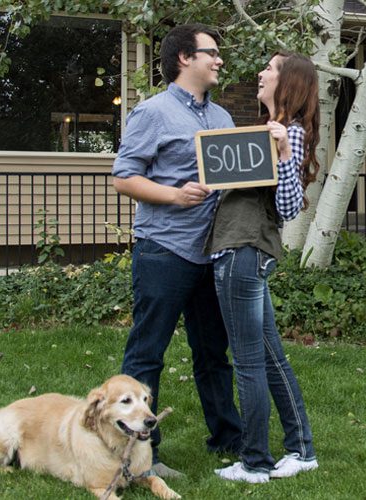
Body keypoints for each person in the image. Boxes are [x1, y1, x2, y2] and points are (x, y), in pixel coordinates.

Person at [112, 24, 243, 477]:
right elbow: (124, 177)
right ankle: (141, 456)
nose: (219, 60)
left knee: (213, 354)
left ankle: (228, 439)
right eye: (212, 53)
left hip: (213, 254)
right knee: (147, 354)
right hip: (165, 251)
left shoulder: (223, 119)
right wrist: (174, 195)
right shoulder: (153, 112)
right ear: (185, 58)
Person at [205, 51, 320, 483]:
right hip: (238, 250)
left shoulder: (286, 133)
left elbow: (288, 207)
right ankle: (302, 449)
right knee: (271, 357)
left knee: (249, 361)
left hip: (244, 252)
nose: (260, 72)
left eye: (269, 68)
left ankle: (254, 462)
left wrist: (287, 152)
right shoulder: (261, 133)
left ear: (288, 81)